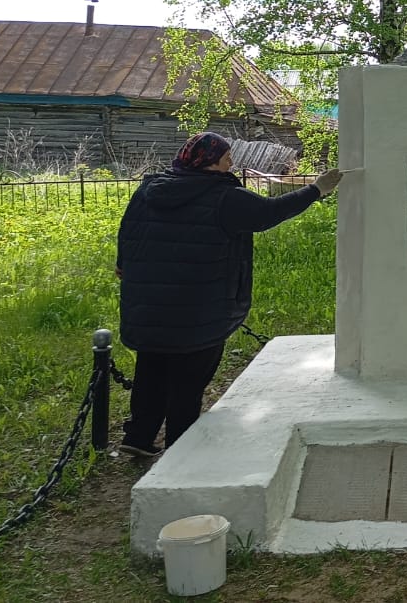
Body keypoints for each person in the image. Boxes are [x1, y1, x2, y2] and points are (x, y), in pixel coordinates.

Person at [115, 131, 343, 457]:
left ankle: (137, 437)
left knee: (151, 369)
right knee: (189, 379)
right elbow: (270, 213)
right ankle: (180, 449)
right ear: (209, 162)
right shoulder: (224, 197)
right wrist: (316, 190)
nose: (232, 162)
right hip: (199, 308)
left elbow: (128, 232)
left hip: (149, 304)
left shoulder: (149, 189)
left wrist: (125, 265)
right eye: (226, 157)